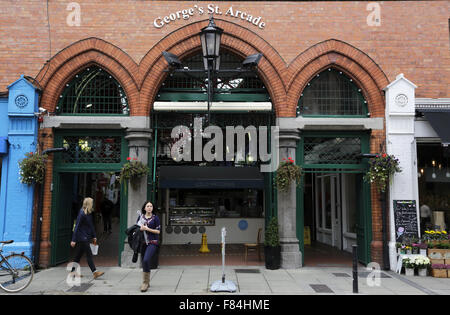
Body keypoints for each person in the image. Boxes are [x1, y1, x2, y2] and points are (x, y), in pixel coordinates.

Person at [70, 197, 104, 280]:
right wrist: (73, 240)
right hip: (82, 238)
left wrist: (94, 236)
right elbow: (76, 227)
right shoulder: (82, 213)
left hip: (86, 237)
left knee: (77, 256)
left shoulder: (89, 213)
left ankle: (72, 273)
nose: (93, 204)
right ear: (89, 204)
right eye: (92, 202)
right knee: (89, 255)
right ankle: (95, 272)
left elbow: (91, 226)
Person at [136, 201, 160, 292]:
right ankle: (146, 282)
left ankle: (145, 282)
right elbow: (137, 228)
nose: (149, 207)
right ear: (144, 208)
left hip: (152, 242)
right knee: (144, 261)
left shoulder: (155, 218)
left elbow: (158, 231)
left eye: (151, 206)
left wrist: (147, 229)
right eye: (147, 206)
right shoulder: (140, 217)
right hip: (142, 242)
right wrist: (140, 228)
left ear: (152, 208)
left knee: (146, 259)